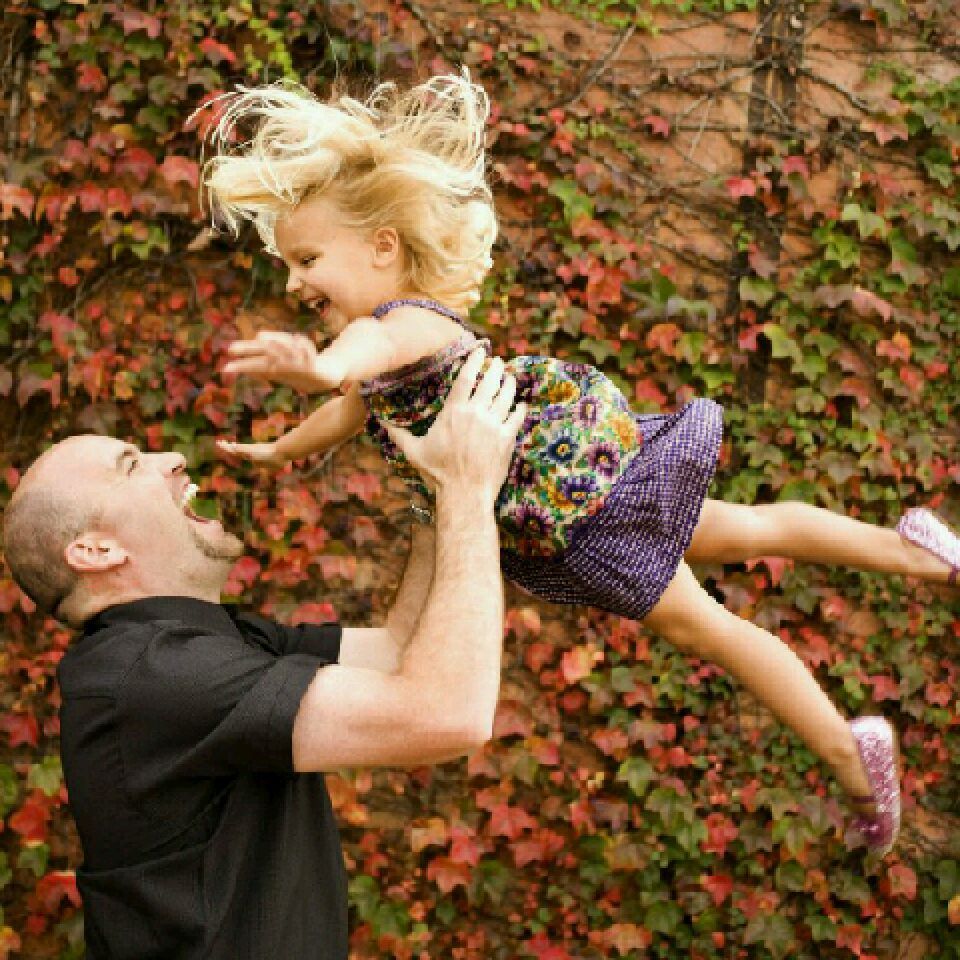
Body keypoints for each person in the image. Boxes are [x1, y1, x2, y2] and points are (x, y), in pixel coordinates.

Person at [198, 72, 960, 858]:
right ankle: (915, 550)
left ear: (382, 246)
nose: (292, 280)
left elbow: (354, 361)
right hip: (582, 484)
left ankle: (851, 754)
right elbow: (349, 407)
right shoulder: (391, 356)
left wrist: (317, 365)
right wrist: (282, 446)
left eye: (307, 257)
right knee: (746, 529)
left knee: (710, 629)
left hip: (579, 515)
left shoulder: (404, 324)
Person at [1, 351, 525, 960]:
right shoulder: (152, 674)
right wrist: (468, 489)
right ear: (95, 550)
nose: (172, 459)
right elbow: (448, 713)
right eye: (130, 465)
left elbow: (397, 650)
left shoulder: (204, 643)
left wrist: (431, 492)